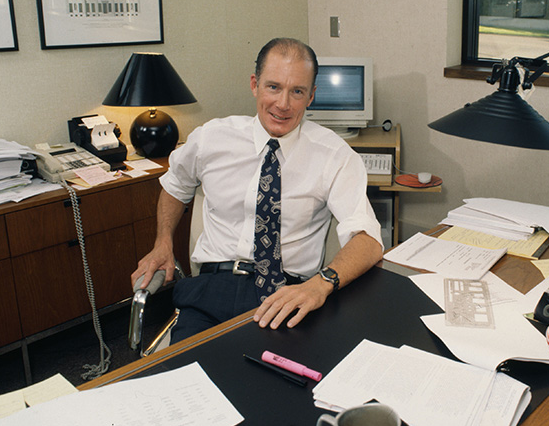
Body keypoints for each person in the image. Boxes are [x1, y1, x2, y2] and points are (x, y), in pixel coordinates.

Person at [131, 38, 384, 340]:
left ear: (311, 96)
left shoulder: (335, 155)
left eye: (297, 91)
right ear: (255, 84)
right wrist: (163, 242)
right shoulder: (211, 137)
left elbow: (368, 240)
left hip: (289, 296)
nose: (283, 104)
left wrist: (321, 284)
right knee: (189, 381)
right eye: (273, 87)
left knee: (281, 384)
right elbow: (176, 186)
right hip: (211, 291)